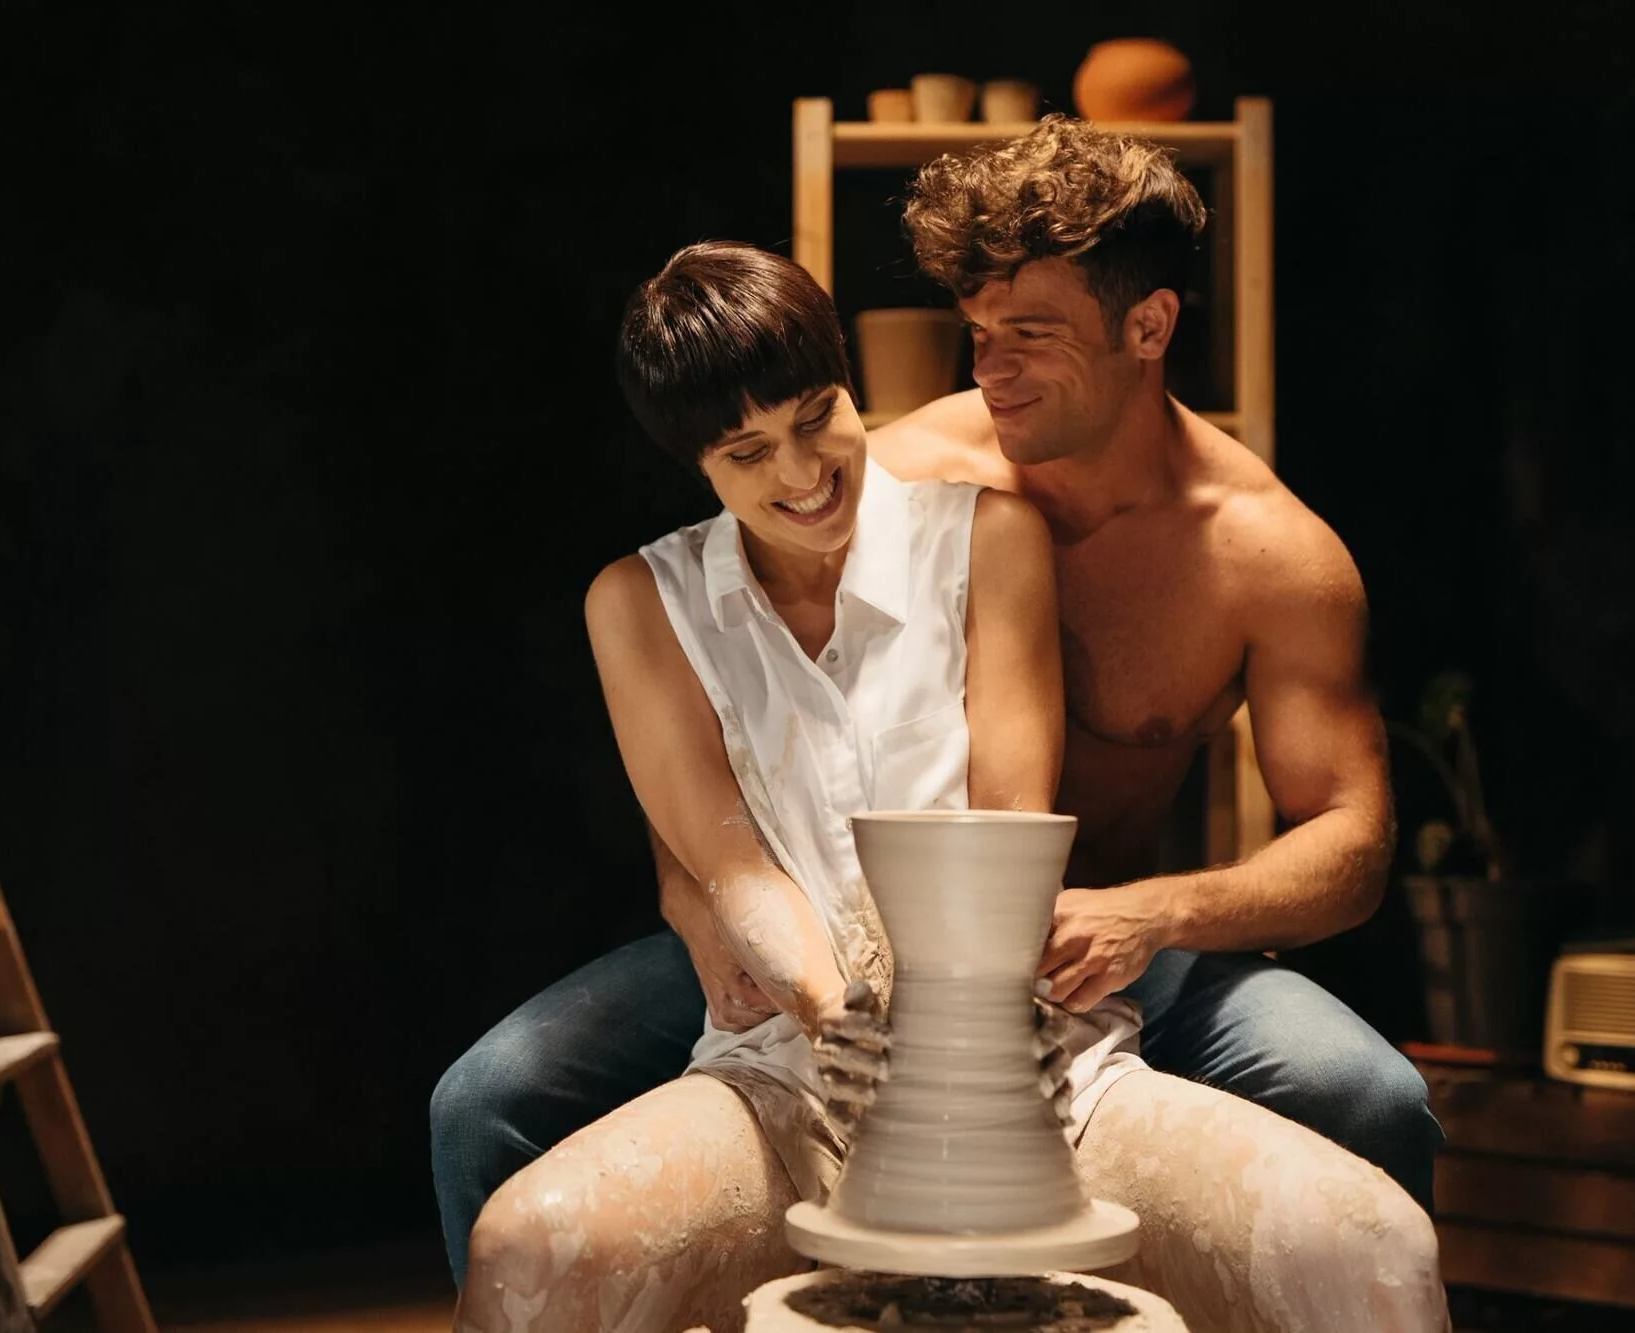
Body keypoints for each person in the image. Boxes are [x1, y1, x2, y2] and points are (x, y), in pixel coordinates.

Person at [434, 112, 1440, 1284]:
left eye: (1029, 337)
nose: (985, 372)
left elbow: (1351, 848)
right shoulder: (881, 469)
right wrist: (697, 901)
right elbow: (710, 712)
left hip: (1095, 941)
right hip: (811, 920)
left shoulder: (1266, 558)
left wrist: (1154, 914)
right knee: (488, 1099)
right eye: (975, 333)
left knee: (1365, 1094)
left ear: (1149, 325)